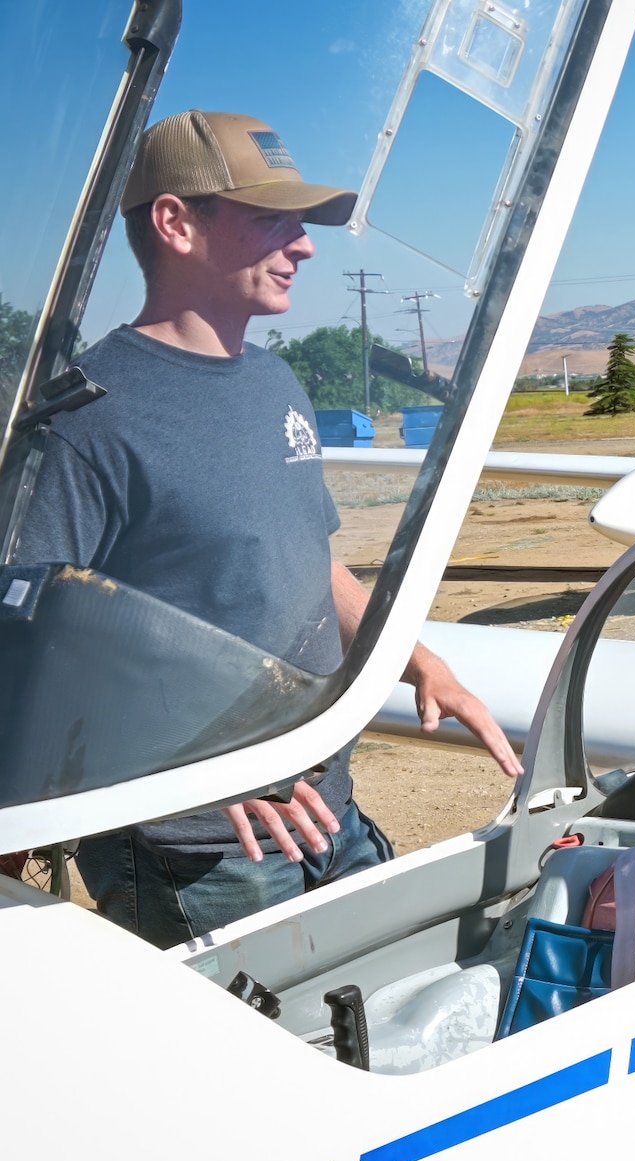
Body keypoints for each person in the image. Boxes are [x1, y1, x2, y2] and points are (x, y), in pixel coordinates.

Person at [13, 110, 520, 946]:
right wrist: (196, 776)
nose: (306, 245)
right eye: (271, 219)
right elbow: (38, 651)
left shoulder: (274, 380)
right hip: (197, 850)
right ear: (177, 223)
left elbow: (308, 565)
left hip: (324, 800)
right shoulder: (89, 418)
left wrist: (422, 663)